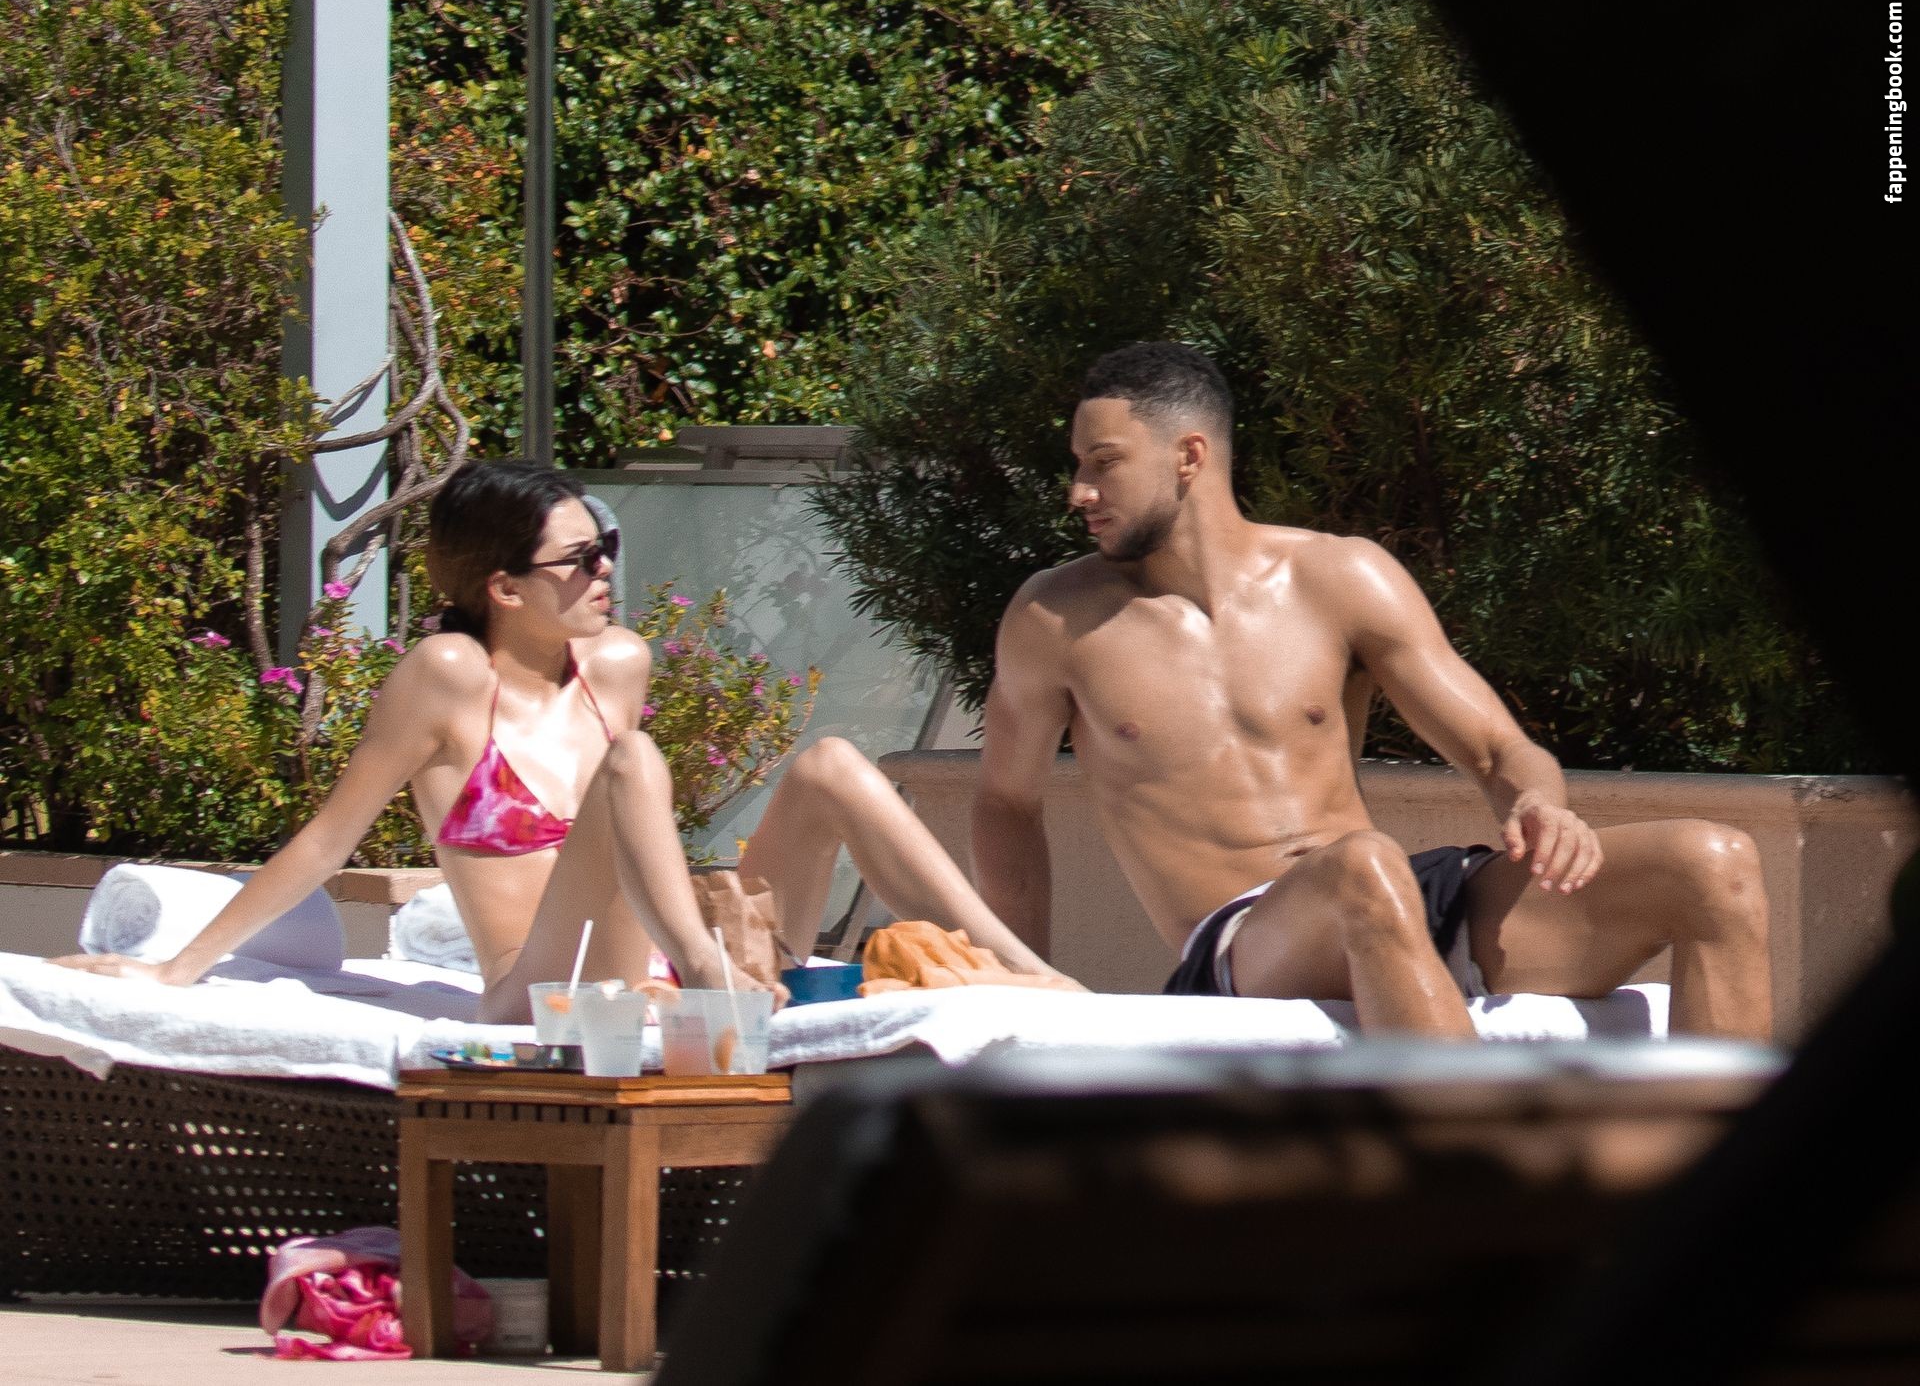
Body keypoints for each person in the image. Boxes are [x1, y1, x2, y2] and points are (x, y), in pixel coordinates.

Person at [55, 460, 1071, 1018]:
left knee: (832, 764)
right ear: (503, 587)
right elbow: (329, 839)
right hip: (545, 984)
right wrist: (175, 970)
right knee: (633, 759)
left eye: (607, 547)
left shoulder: (616, 663)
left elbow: (637, 850)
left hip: (667, 960)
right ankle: (711, 985)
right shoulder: (447, 677)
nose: (605, 572)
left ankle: (1031, 970)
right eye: (580, 558)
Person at [971, 342, 1771, 1040]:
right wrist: (1024, 977)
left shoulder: (1339, 576)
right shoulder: (1054, 618)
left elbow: (1499, 749)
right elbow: (1006, 803)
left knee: (1713, 864)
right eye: (1079, 465)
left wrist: (1540, 804)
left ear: (1189, 456)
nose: (1079, 490)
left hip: (1397, 898)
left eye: (1103, 462)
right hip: (1248, 941)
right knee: (1363, 866)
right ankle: (1473, 1157)